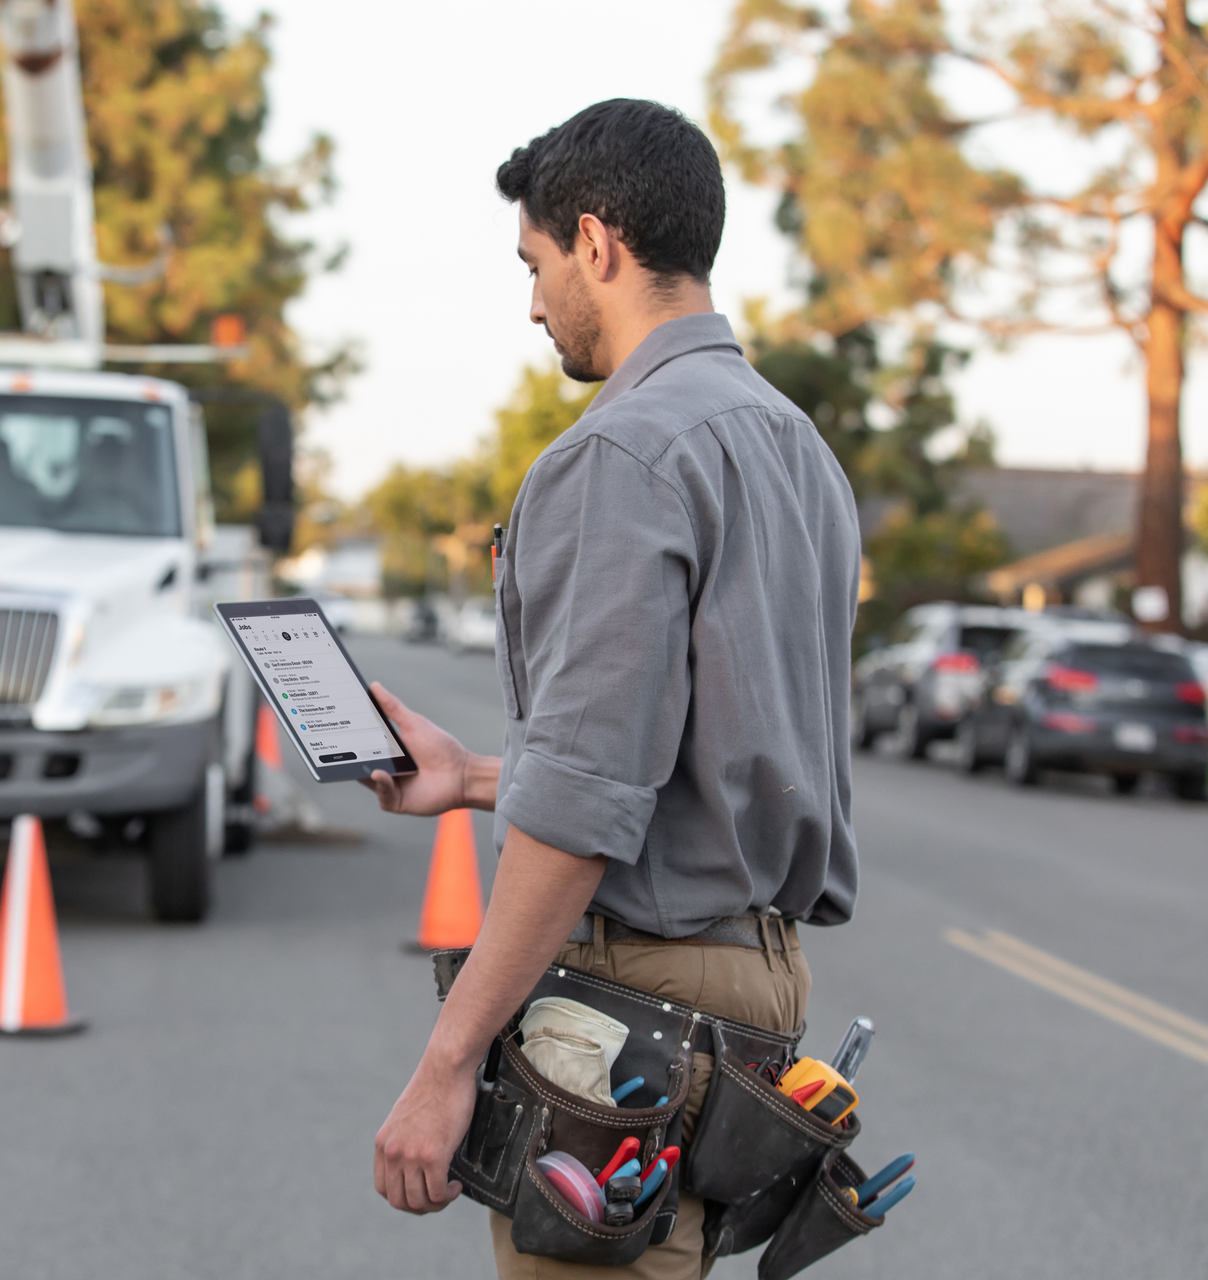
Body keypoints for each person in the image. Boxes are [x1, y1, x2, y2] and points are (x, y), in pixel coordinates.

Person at [364, 99, 861, 1279]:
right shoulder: (798, 449)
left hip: (634, 992)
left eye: (533, 264)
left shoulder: (618, 454)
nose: (535, 303)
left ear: (594, 242)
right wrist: (473, 775)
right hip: (760, 987)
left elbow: (586, 808)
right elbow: (701, 756)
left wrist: (446, 1062)